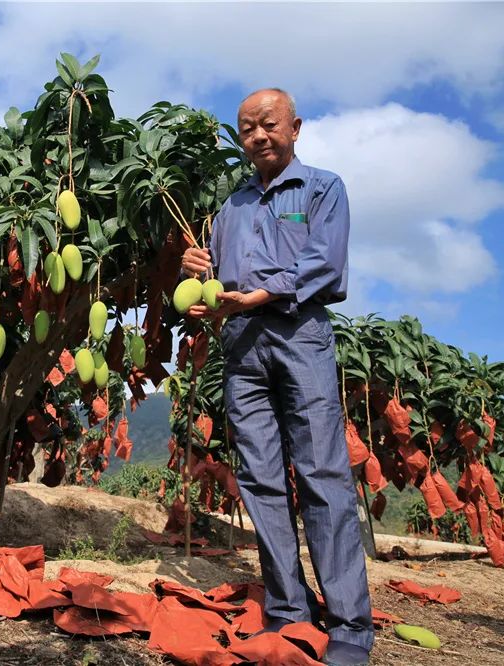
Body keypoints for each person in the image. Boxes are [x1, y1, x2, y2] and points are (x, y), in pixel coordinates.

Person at [182, 88, 374, 666]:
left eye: (268, 124)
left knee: (322, 473)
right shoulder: (232, 207)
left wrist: (262, 294)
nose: (258, 136)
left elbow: (325, 263)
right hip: (242, 346)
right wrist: (201, 272)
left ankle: (348, 624)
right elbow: (219, 282)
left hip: (299, 335)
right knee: (261, 480)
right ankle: (289, 611)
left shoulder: (322, 189)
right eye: (246, 129)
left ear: (295, 127)